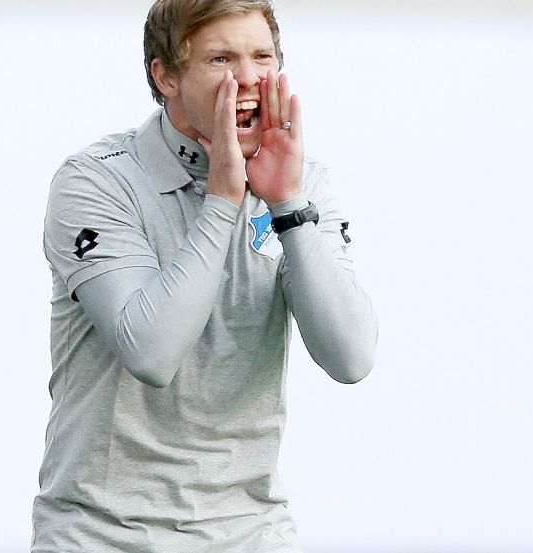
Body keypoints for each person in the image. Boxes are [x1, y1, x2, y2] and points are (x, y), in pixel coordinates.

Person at [32, 1, 378, 551]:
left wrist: (287, 203)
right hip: (101, 532)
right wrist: (223, 199)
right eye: (220, 59)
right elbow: (152, 354)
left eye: (261, 56)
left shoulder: (302, 180)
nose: (247, 78)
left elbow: (352, 358)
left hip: (250, 530)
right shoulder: (95, 182)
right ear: (165, 75)